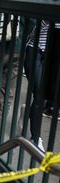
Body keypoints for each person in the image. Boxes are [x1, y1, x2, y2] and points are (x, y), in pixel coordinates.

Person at [24, 21, 60, 151]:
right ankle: (36, 137)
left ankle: (29, 113)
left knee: (47, 95)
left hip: (54, 54)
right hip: (35, 50)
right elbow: (34, 31)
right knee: (40, 94)